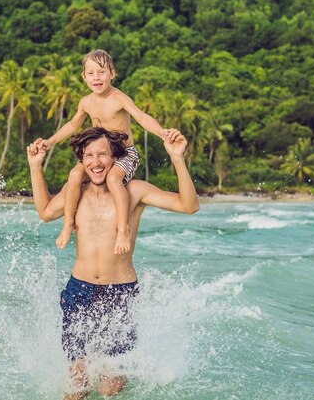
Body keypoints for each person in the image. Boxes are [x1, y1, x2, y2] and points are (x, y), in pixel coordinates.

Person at [27, 127, 199, 399]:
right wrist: (35, 166)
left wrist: (177, 158)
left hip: (119, 294)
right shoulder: (76, 192)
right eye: (89, 156)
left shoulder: (134, 191)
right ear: (82, 161)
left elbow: (189, 206)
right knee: (77, 385)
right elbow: (45, 212)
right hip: (78, 292)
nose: (96, 162)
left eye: (102, 155)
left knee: (110, 388)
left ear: (115, 158)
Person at [33, 49, 170, 255]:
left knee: (114, 179)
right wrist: (50, 141)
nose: (96, 77)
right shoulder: (86, 102)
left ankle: (123, 229)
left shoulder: (119, 98)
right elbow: (72, 125)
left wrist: (162, 132)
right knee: (74, 175)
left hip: (124, 154)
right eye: (91, 73)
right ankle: (68, 223)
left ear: (112, 73)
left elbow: (142, 117)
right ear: (84, 77)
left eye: (101, 72)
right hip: (100, 154)